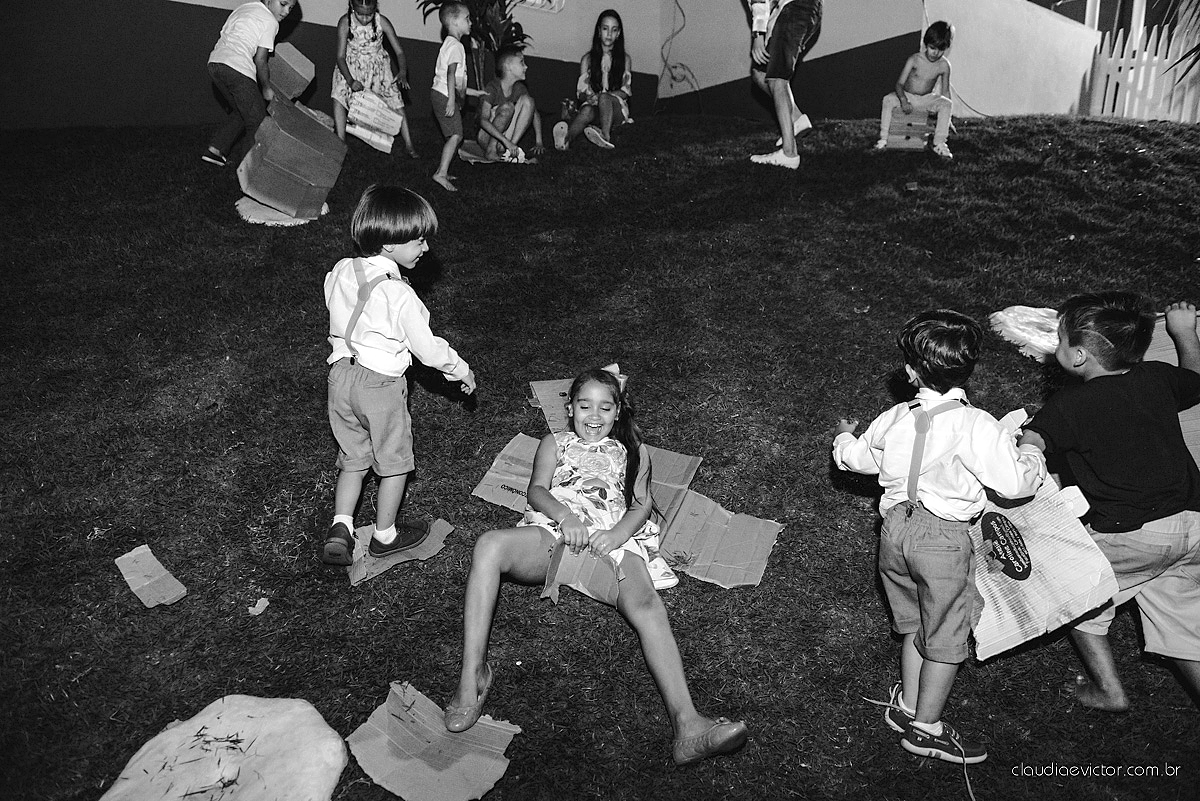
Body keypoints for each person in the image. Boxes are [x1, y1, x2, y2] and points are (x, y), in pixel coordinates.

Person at [443, 368, 748, 766]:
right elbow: (537, 488)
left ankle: (688, 726)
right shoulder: (555, 442)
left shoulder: (634, 451)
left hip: (610, 547)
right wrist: (565, 517)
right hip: (554, 538)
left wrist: (619, 534)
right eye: (584, 405)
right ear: (569, 409)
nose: (594, 415)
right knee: (488, 545)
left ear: (618, 412)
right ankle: (472, 677)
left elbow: (641, 505)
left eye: (605, 407)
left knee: (648, 606)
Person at [832, 310, 1047, 764]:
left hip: (894, 531)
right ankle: (926, 729)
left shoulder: (896, 416)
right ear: (968, 368)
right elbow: (1013, 485)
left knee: (911, 618)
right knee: (947, 628)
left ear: (912, 372)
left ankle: (908, 704)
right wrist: (1029, 452)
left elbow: (856, 461)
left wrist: (842, 438)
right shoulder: (977, 425)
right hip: (943, 538)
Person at [1018, 293, 1200, 712]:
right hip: (1191, 522)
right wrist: (1184, 333)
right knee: (1183, 617)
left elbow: (1034, 443)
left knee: (1077, 590)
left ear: (1079, 356)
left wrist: (1023, 444)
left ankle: (1108, 690)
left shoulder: (1068, 406)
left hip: (1131, 531)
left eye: (1059, 340)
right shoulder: (1158, 378)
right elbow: (1194, 377)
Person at [320, 185, 477, 566]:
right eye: (419, 240)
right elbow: (427, 349)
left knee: (354, 455)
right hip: (380, 385)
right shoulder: (400, 295)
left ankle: (341, 525)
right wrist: (461, 369)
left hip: (340, 377)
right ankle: (385, 535)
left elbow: (332, 302)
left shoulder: (341, 270)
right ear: (390, 244)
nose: (425, 248)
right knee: (394, 460)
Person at [202, 0, 295, 167]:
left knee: (242, 110)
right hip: (238, 68)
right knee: (257, 121)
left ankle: (215, 150)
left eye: (291, 8)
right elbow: (260, 60)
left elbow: (225, 32)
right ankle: (248, 169)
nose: (287, 11)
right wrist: (266, 88)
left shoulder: (244, 8)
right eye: (283, 4)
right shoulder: (270, 21)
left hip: (216, 63)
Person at [332, 0, 418, 158]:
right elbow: (340, 56)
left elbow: (399, 51)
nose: (365, 19)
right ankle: (340, 141)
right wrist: (350, 80)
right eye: (360, 14)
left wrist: (403, 70)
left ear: (375, 9)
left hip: (378, 68)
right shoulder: (345, 22)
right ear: (352, 7)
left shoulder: (382, 22)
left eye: (369, 14)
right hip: (351, 66)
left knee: (396, 101)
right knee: (339, 96)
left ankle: (409, 144)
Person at [747, 0, 822, 170]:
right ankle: (797, 119)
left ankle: (789, 153)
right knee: (760, 74)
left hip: (796, 8)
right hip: (804, 11)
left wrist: (758, 35)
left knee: (777, 79)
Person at [552, 10, 633, 151]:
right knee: (587, 110)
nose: (609, 34)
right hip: (595, 106)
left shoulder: (625, 59)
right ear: (598, 31)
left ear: (618, 33)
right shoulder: (587, 60)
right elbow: (581, 92)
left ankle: (605, 136)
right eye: (605, 28)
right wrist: (592, 98)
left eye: (614, 30)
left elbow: (625, 91)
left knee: (604, 98)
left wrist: (604, 97)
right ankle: (566, 139)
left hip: (616, 111)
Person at [875, 21, 954, 160]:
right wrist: (903, 100)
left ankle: (939, 143)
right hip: (907, 96)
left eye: (941, 50)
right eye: (932, 48)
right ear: (926, 44)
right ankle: (884, 139)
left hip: (926, 98)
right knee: (887, 100)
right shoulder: (915, 59)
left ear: (946, 48)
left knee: (947, 104)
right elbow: (899, 84)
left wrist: (948, 119)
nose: (936, 53)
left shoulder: (944, 65)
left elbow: (945, 92)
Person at [431, 2, 486, 191]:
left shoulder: (450, 44)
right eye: (467, 18)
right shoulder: (456, 46)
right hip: (445, 96)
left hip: (441, 93)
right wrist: (452, 101)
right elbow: (451, 75)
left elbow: (456, 81)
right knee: (455, 136)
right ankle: (440, 174)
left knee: (454, 136)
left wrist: (474, 92)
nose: (471, 22)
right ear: (454, 22)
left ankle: (442, 170)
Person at [469, 45, 544, 163]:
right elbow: (483, 120)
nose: (526, 66)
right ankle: (491, 150)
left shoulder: (519, 88)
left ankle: (511, 151)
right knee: (507, 107)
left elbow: (534, 113)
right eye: (521, 62)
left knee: (529, 101)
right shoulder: (492, 88)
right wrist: (505, 141)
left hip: (505, 140)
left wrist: (539, 141)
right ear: (508, 66)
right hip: (487, 137)